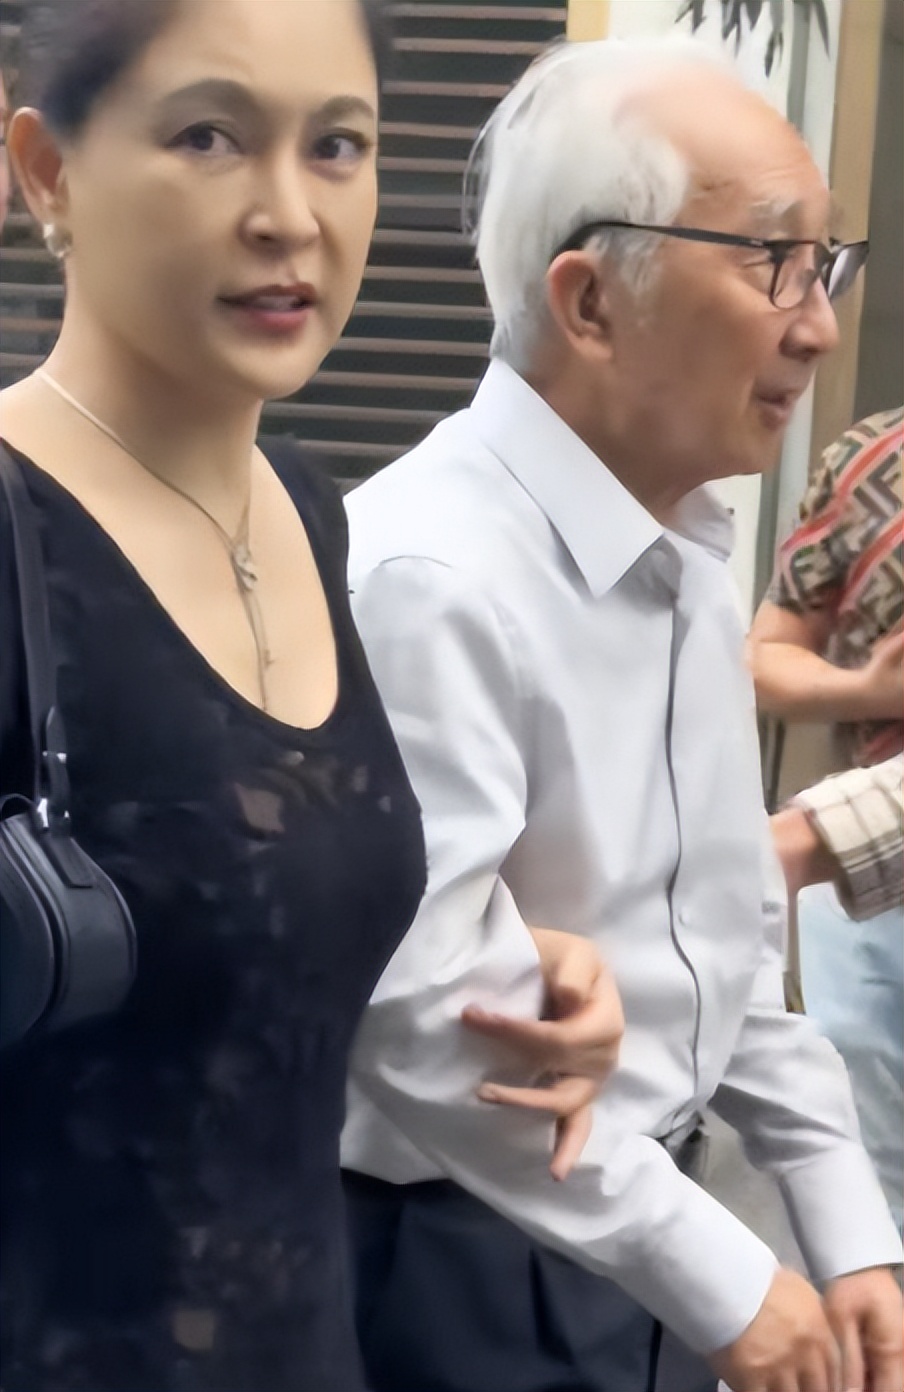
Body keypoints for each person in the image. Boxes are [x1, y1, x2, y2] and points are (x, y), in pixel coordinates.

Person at [0, 4, 619, 1390]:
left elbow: (243, 917)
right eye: (208, 136)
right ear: (47, 170)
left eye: (337, 145)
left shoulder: (305, 509)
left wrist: (522, 968)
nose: (290, 215)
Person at [341, 37, 904, 1392]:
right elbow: (430, 1018)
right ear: (591, 300)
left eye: (824, 264)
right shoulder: (426, 575)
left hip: (646, 1216)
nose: (818, 326)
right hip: (468, 1249)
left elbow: (724, 937)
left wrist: (845, 1227)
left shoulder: (687, 553)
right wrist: (715, 1272)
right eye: (771, 263)